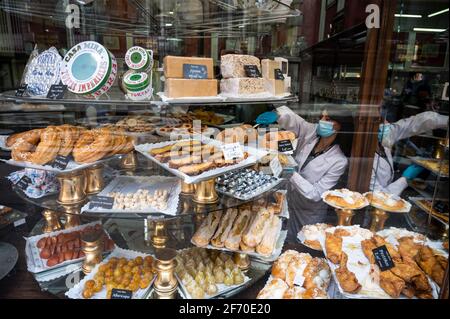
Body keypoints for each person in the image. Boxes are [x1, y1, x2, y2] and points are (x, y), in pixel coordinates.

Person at [275, 106, 349, 240]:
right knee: (282, 237)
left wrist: (291, 173)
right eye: (321, 117)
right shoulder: (312, 133)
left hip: (308, 212)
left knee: (303, 243)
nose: (322, 121)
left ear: (339, 125)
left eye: (328, 118)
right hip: (290, 200)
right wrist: (278, 114)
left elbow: (316, 194)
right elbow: (297, 122)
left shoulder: (339, 161)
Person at [372, 110, 448, 195]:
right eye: (383, 122)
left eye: (386, 121)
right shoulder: (366, 160)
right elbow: (379, 197)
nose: (388, 124)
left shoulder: (384, 135)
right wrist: (405, 179)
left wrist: (445, 120)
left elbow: (413, 124)